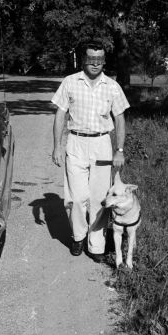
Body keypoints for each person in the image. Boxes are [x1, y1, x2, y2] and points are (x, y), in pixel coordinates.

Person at [51, 39, 130, 261]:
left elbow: (120, 118)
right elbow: (59, 115)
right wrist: (57, 146)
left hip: (102, 145)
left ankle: (96, 246)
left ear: (104, 61)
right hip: (76, 143)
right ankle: (78, 236)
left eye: (99, 60)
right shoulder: (70, 82)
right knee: (76, 197)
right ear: (84, 60)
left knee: (98, 198)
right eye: (91, 59)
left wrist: (119, 150)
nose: (95, 64)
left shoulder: (113, 87)